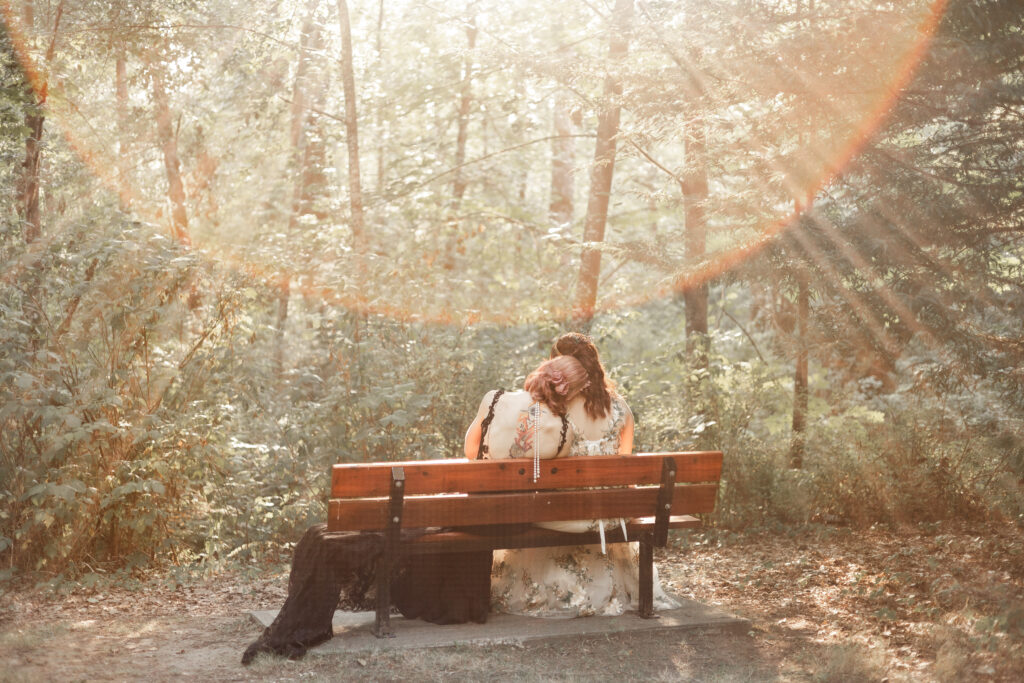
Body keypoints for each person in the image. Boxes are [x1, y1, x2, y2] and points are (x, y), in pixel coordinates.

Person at [487, 332, 679, 618]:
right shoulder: (621, 409)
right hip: (612, 515)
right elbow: (627, 474)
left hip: (561, 514)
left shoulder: (552, 409)